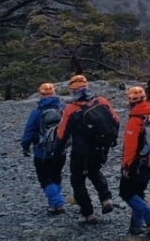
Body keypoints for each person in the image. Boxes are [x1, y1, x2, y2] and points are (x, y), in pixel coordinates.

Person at [55, 74, 121, 224]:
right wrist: (112, 140)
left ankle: (87, 213)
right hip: (101, 148)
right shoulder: (102, 101)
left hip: (81, 152)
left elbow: (61, 134)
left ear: (72, 90)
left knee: (77, 180)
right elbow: (116, 120)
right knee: (95, 171)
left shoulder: (71, 109)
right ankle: (106, 199)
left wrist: (57, 150)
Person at [119, 86, 150, 236]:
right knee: (138, 193)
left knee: (125, 193)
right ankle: (136, 226)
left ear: (130, 101)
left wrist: (127, 166)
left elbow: (130, 148)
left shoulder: (135, 120)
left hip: (136, 164)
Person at [20, 83, 67, 214]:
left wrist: (25, 147)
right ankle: (55, 205)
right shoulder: (63, 109)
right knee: (56, 176)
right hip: (60, 150)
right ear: (54, 93)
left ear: (40, 94)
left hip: (42, 152)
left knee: (45, 178)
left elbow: (28, 131)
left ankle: (57, 203)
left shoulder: (37, 112)